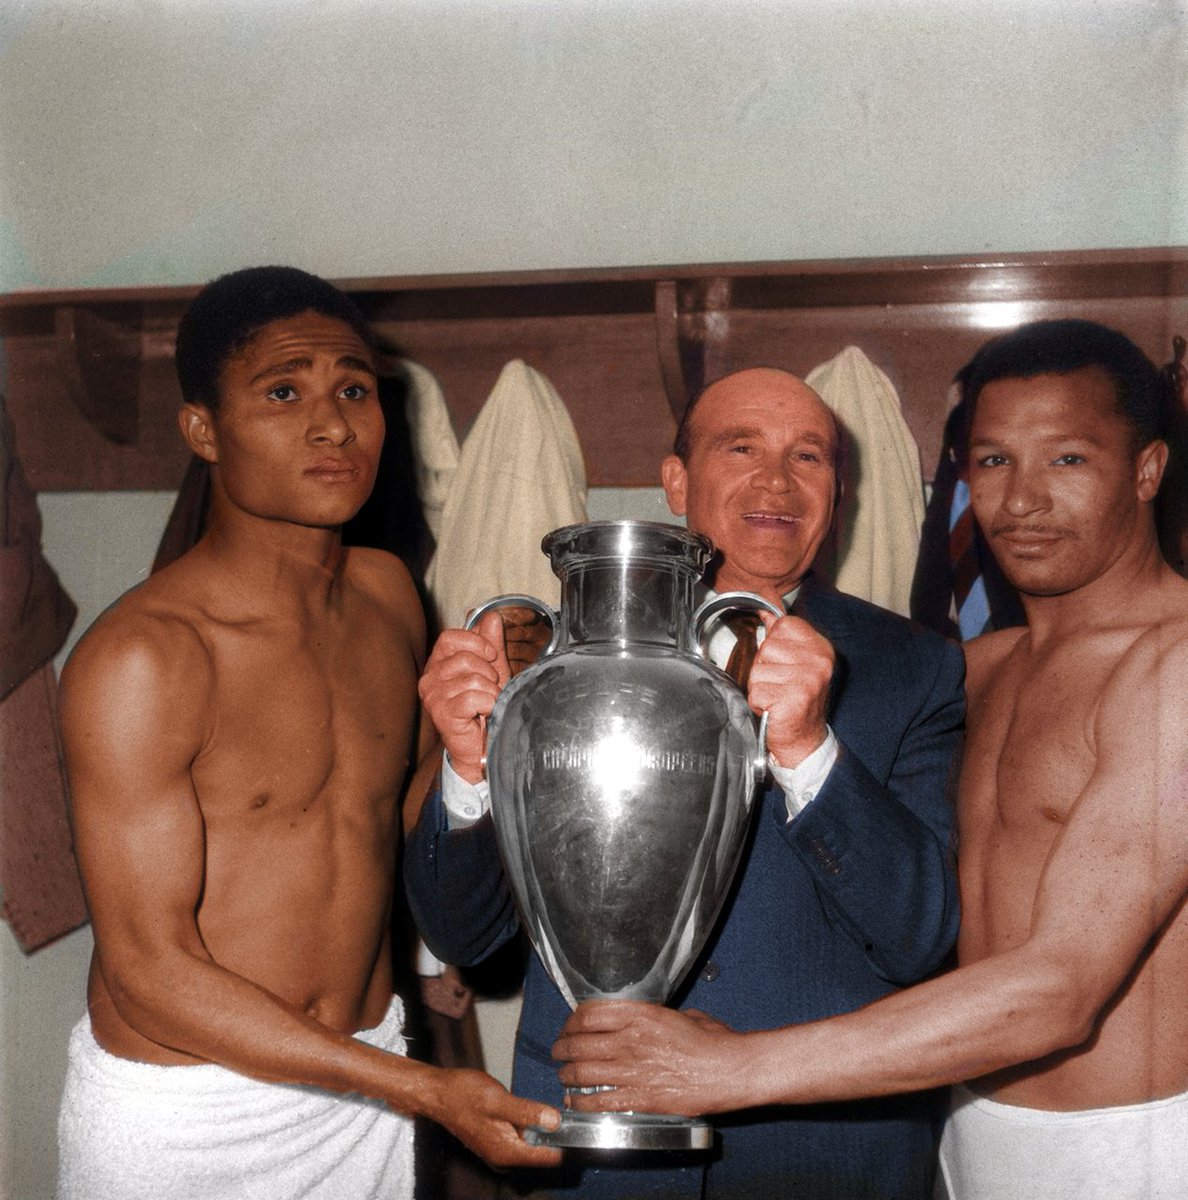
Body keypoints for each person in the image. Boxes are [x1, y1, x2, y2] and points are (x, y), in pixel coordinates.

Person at [555, 320, 1188, 1199]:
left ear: (1147, 471)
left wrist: (731, 1069)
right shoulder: (974, 668)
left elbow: (1059, 989)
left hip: (1129, 1142)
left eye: (1069, 459)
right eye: (994, 461)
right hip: (964, 1133)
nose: (1022, 500)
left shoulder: (1174, 665)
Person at [54, 266, 560, 1200]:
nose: (333, 425)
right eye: (284, 392)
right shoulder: (145, 658)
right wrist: (421, 1088)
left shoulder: (387, 594)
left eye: (354, 390)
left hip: (359, 1086)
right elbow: (149, 972)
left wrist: (477, 738)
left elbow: (394, 809)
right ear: (204, 430)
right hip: (189, 1114)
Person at [405, 366, 966, 1198]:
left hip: (817, 1158)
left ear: (837, 496)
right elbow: (463, 934)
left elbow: (921, 935)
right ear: (676, 481)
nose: (776, 481)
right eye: (741, 448)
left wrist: (810, 750)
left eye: (807, 456)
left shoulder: (913, 666)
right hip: (593, 1146)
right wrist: (466, 766)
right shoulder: (547, 655)